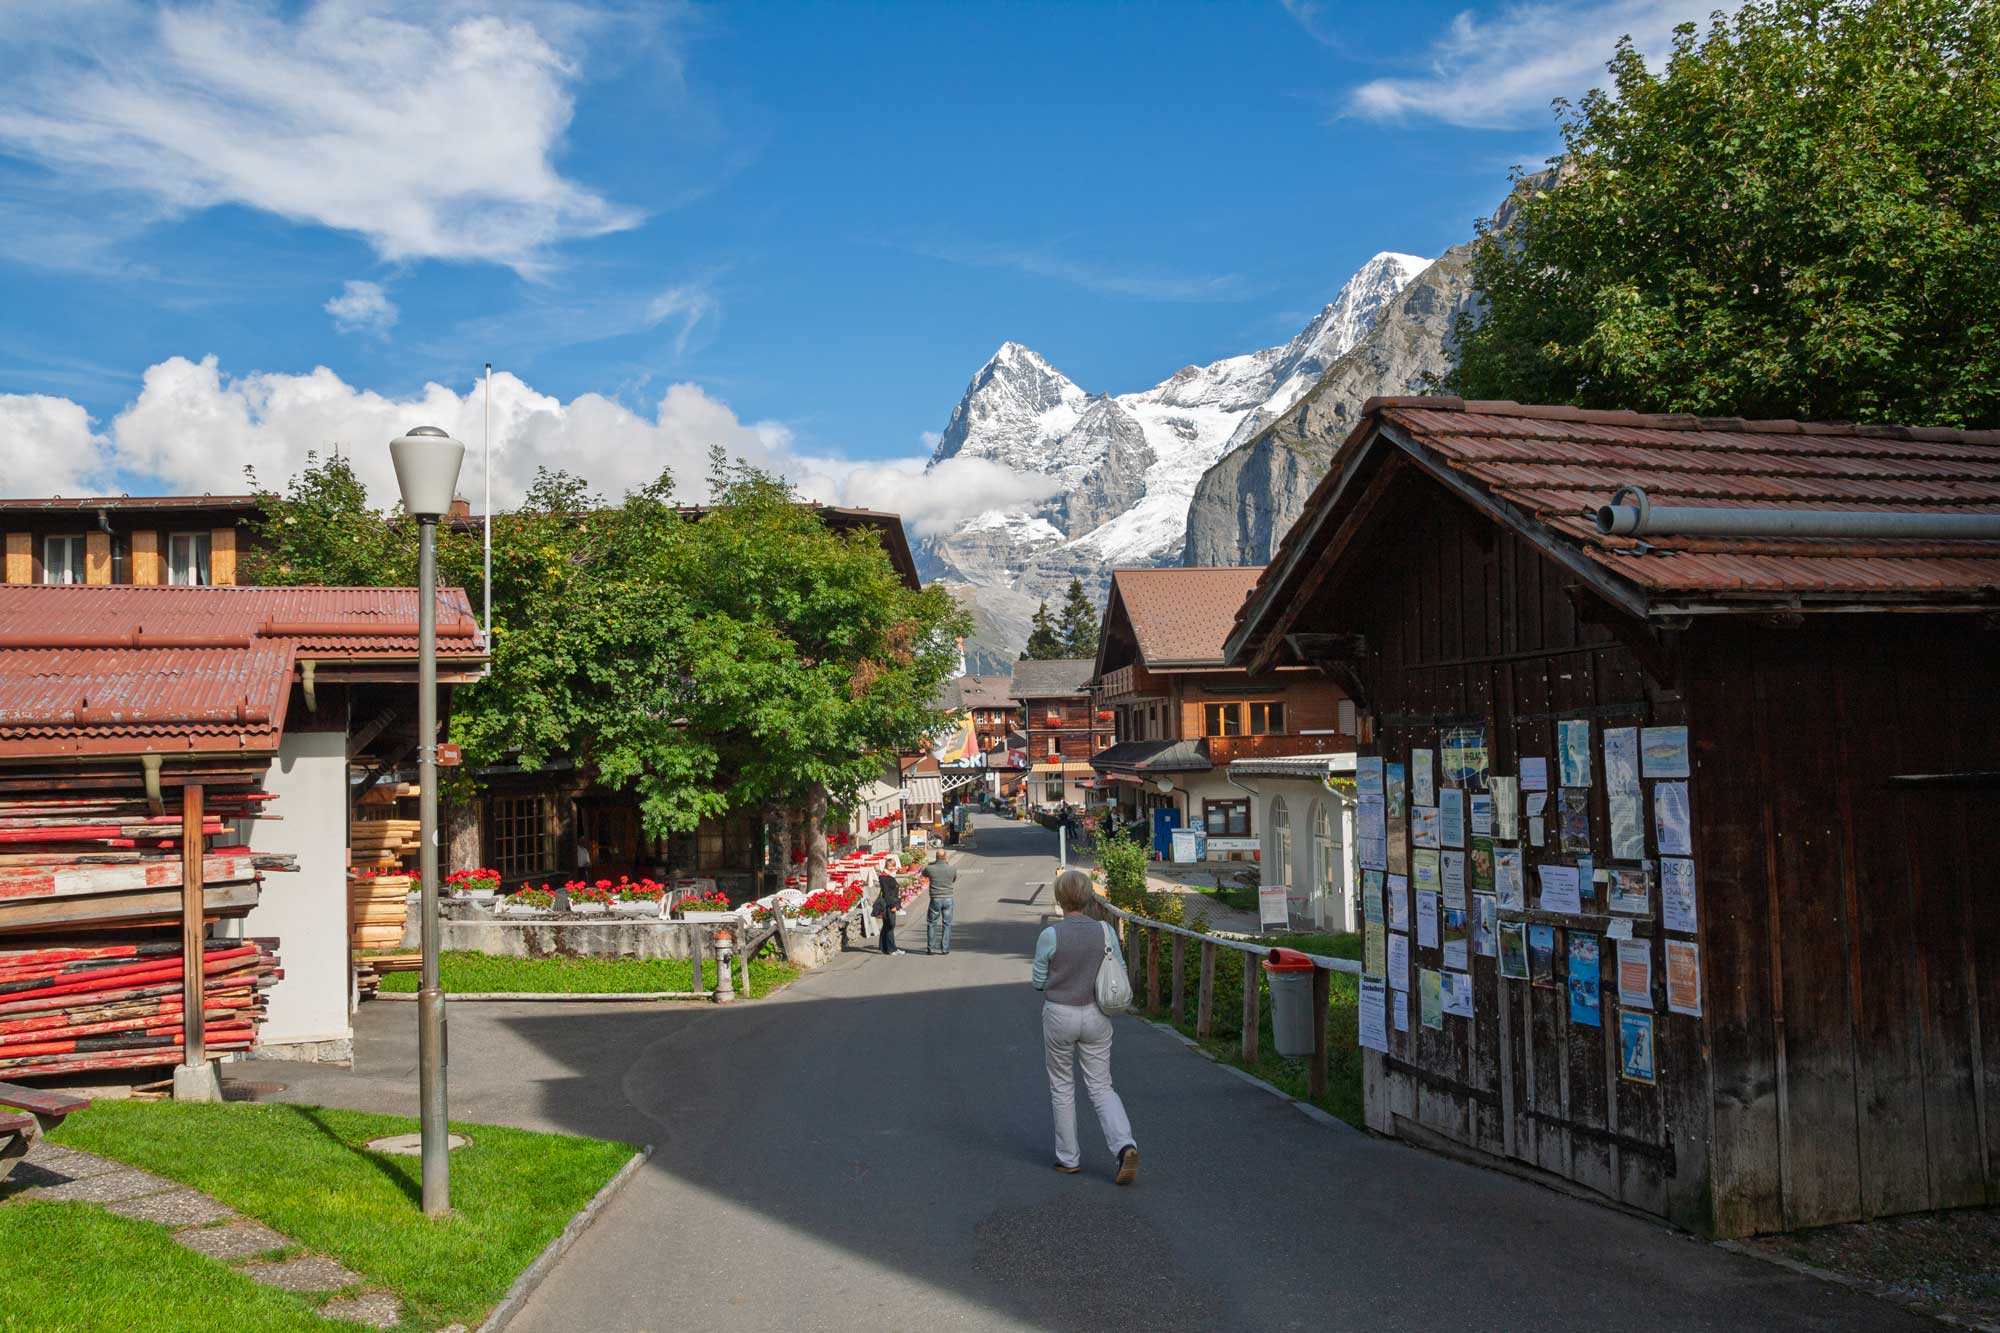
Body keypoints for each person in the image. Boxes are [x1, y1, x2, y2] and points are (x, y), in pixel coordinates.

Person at [1031, 868, 1138, 1185]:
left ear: (1060, 899)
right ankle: (1124, 1146)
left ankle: (1068, 1159)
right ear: (1090, 897)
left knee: (1062, 1086)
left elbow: (1038, 981)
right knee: (1102, 1087)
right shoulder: (1105, 931)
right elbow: (1115, 968)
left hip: (1060, 1014)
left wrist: (1056, 978)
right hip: (1095, 1014)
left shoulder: (1051, 935)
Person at [921, 849, 958, 955]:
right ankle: (945, 948)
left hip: (935, 898)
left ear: (936, 857)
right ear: (946, 857)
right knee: (947, 924)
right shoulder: (952, 868)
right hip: (948, 898)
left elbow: (923, 873)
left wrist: (933, 863)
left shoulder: (930, 868)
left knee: (932, 923)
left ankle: (931, 948)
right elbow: (953, 879)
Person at [874, 864, 904, 955]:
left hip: (888, 904)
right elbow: (887, 894)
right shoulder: (885, 878)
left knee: (886, 926)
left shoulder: (887, 877)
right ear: (889, 867)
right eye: (893, 866)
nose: (895, 868)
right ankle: (892, 949)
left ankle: (883, 947)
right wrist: (892, 905)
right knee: (890, 925)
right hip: (888, 905)